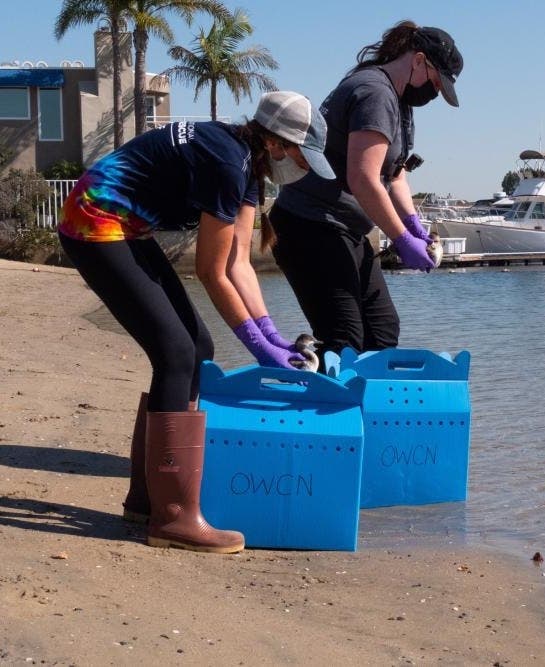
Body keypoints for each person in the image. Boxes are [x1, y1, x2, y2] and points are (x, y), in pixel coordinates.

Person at [57, 91, 336, 554]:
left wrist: (273, 338)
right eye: (304, 158)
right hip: (95, 218)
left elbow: (238, 263)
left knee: (199, 350)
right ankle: (173, 517)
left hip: (128, 226)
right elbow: (210, 271)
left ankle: (146, 500)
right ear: (277, 144)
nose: (305, 169)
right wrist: (259, 350)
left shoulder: (246, 166)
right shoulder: (227, 162)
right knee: (175, 352)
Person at [268, 21, 463, 368]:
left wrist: (414, 225)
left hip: (345, 228)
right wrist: (401, 240)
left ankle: (361, 398)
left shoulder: (399, 100)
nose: (433, 93)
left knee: (382, 331)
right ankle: (307, 383)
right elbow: (363, 179)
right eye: (435, 83)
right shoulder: (375, 93)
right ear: (418, 60)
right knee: (344, 338)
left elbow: (394, 174)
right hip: (309, 224)